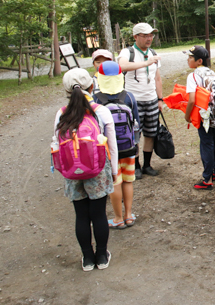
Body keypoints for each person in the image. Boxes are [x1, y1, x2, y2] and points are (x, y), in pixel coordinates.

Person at [53, 69, 118, 271]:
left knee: (81, 215)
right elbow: (112, 145)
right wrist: (114, 171)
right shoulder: (101, 111)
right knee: (98, 214)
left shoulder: (62, 113)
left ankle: (87, 259)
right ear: (92, 86)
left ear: (66, 90)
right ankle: (102, 256)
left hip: (73, 171)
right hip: (97, 170)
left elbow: (56, 142)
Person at [93, 61, 140, 229]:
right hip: (128, 148)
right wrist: (135, 145)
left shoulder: (95, 99)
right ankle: (128, 215)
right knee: (128, 181)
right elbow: (136, 124)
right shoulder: (129, 97)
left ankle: (118, 218)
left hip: (107, 151)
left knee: (115, 182)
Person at [117, 23, 163, 180]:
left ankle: (147, 165)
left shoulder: (153, 53)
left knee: (151, 133)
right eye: (145, 35)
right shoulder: (127, 52)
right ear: (136, 37)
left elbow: (157, 78)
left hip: (151, 99)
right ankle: (135, 166)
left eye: (151, 35)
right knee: (134, 135)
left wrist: (160, 99)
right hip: (132, 101)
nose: (149, 38)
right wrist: (146, 63)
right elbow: (121, 65)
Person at [184, 46, 215, 190]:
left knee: (206, 144)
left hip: (204, 116)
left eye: (190, 57)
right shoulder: (211, 72)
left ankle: (207, 179)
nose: (187, 60)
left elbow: (191, 100)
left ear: (199, 61)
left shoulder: (193, 76)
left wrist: (187, 115)